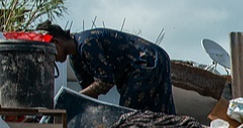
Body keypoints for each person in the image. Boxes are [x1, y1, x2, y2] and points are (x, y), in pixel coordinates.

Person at [37, 21, 176, 114]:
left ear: (56, 42)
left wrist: (70, 99)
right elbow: (90, 95)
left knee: (130, 117)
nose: (50, 58)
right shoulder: (75, 59)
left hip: (148, 61)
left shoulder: (86, 44)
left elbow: (105, 82)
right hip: (148, 62)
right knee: (150, 115)